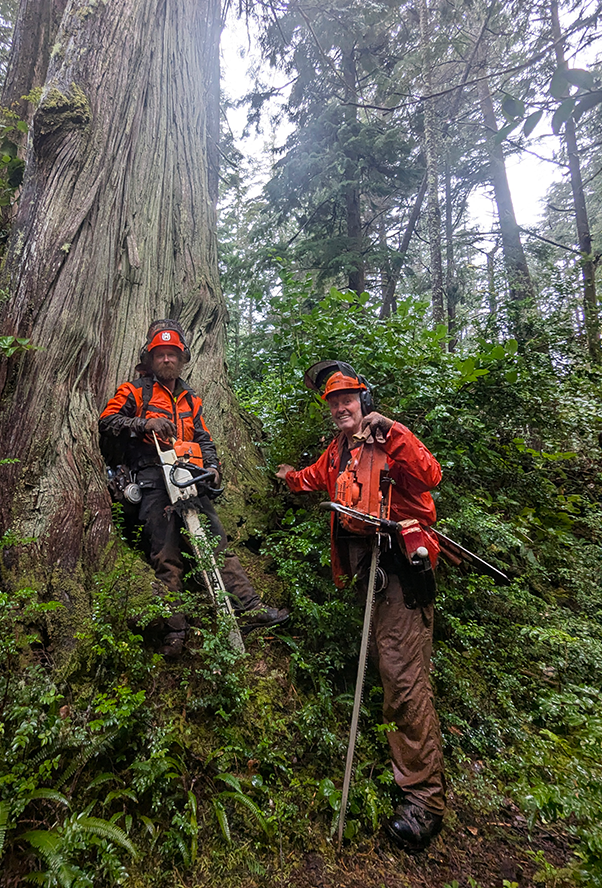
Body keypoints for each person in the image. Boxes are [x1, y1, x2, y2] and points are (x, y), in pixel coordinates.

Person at [275, 359, 446, 852]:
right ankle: (413, 776)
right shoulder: (338, 452)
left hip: (401, 573)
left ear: (364, 401)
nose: (339, 408)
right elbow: (312, 477)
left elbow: (430, 475)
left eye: (347, 399)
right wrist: (288, 475)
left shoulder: (387, 439)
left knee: (403, 675)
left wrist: (391, 432)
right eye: (332, 402)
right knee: (389, 666)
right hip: (368, 575)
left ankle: (424, 803)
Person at [100, 319, 288, 657]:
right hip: (152, 478)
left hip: (188, 478)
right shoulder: (134, 390)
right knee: (166, 554)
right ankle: (175, 631)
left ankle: (249, 606)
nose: (167, 360)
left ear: (183, 358)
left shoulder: (191, 399)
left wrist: (213, 468)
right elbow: (107, 421)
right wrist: (145, 423)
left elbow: (204, 438)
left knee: (217, 544)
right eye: (161, 354)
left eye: (173, 354)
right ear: (151, 358)